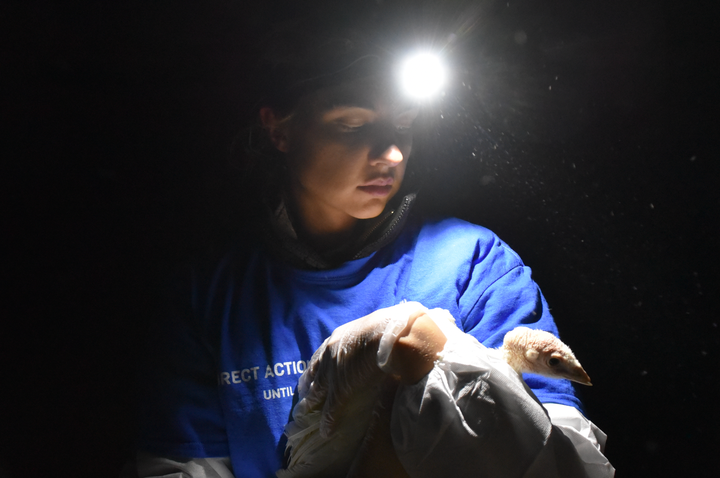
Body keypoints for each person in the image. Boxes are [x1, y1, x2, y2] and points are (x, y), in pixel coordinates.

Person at [126, 16, 614, 478]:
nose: (393, 153)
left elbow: (564, 457)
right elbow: (180, 465)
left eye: (403, 125)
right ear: (279, 129)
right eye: (353, 124)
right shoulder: (212, 294)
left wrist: (437, 360)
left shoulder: (474, 265)